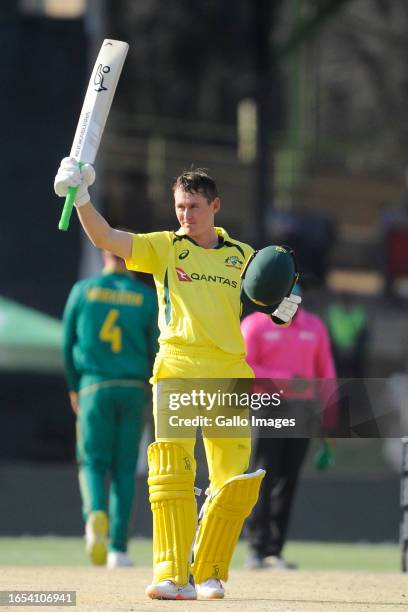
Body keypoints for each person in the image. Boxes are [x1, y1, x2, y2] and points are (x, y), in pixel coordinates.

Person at [54, 157, 300, 600]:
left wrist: (283, 309)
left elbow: (273, 296)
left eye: (194, 207)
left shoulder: (242, 256)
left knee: (232, 482)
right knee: (171, 474)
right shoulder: (165, 247)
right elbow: (106, 237)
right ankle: (170, 573)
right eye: (180, 207)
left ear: (216, 206)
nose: (185, 215)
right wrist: (83, 197)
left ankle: (209, 572)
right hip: (177, 370)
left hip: (228, 375)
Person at [62, 249, 158, 568]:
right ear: (131, 259)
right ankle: (119, 548)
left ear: (105, 255)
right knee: (125, 468)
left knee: (91, 462)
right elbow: (157, 347)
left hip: (94, 385)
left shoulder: (83, 291)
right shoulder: (145, 298)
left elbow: (66, 343)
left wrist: (75, 387)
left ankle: (95, 516)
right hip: (132, 388)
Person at [241, 285, 337, 570]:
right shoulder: (255, 324)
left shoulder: (314, 326)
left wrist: (329, 424)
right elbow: (243, 367)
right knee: (262, 477)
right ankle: (256, 548)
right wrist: (284, 378)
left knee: (288, 480)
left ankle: (275, 550)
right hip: (267, 406)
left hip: (303, 410)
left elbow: (326, 373)